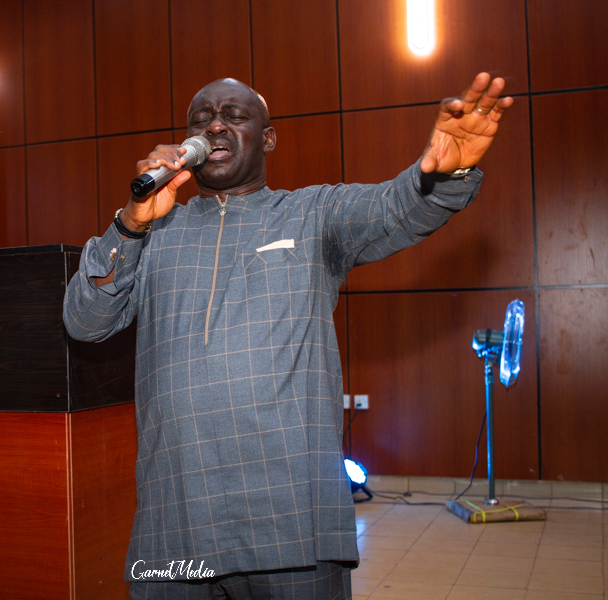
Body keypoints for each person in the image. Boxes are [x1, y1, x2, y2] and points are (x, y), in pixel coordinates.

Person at [64, 73, 512, 599]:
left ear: (268, 138)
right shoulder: (155, 233)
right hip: (176, 523)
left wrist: (446, 171)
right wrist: (132, 223)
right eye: (202, 118)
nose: (214, 125)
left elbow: (397, 208)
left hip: (292, 523)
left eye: (233, 115)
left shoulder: (312, 215)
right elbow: (84, 321)